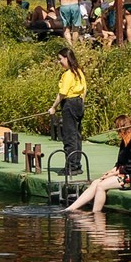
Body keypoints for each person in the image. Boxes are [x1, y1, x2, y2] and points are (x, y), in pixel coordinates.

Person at [66, 117, 131, 213]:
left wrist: (113, 174)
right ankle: (72, 208)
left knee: (101, 186)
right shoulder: (124, 141)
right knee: (96, 182)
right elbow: (119, 162)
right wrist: (111, 171)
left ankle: (95, 213)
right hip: (124, 174)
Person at [46, 46, 87, 176]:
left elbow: (62, 93)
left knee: (69, 136)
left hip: (69, 103)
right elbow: (84, 90)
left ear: (67, 58)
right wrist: (81, 103)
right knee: (77, 135)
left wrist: (53, 107)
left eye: (60, 59)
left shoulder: (68, 74)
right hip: (79, 102)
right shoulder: (79, 71)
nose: (59, 62)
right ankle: (77, 164)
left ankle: (71, 166)